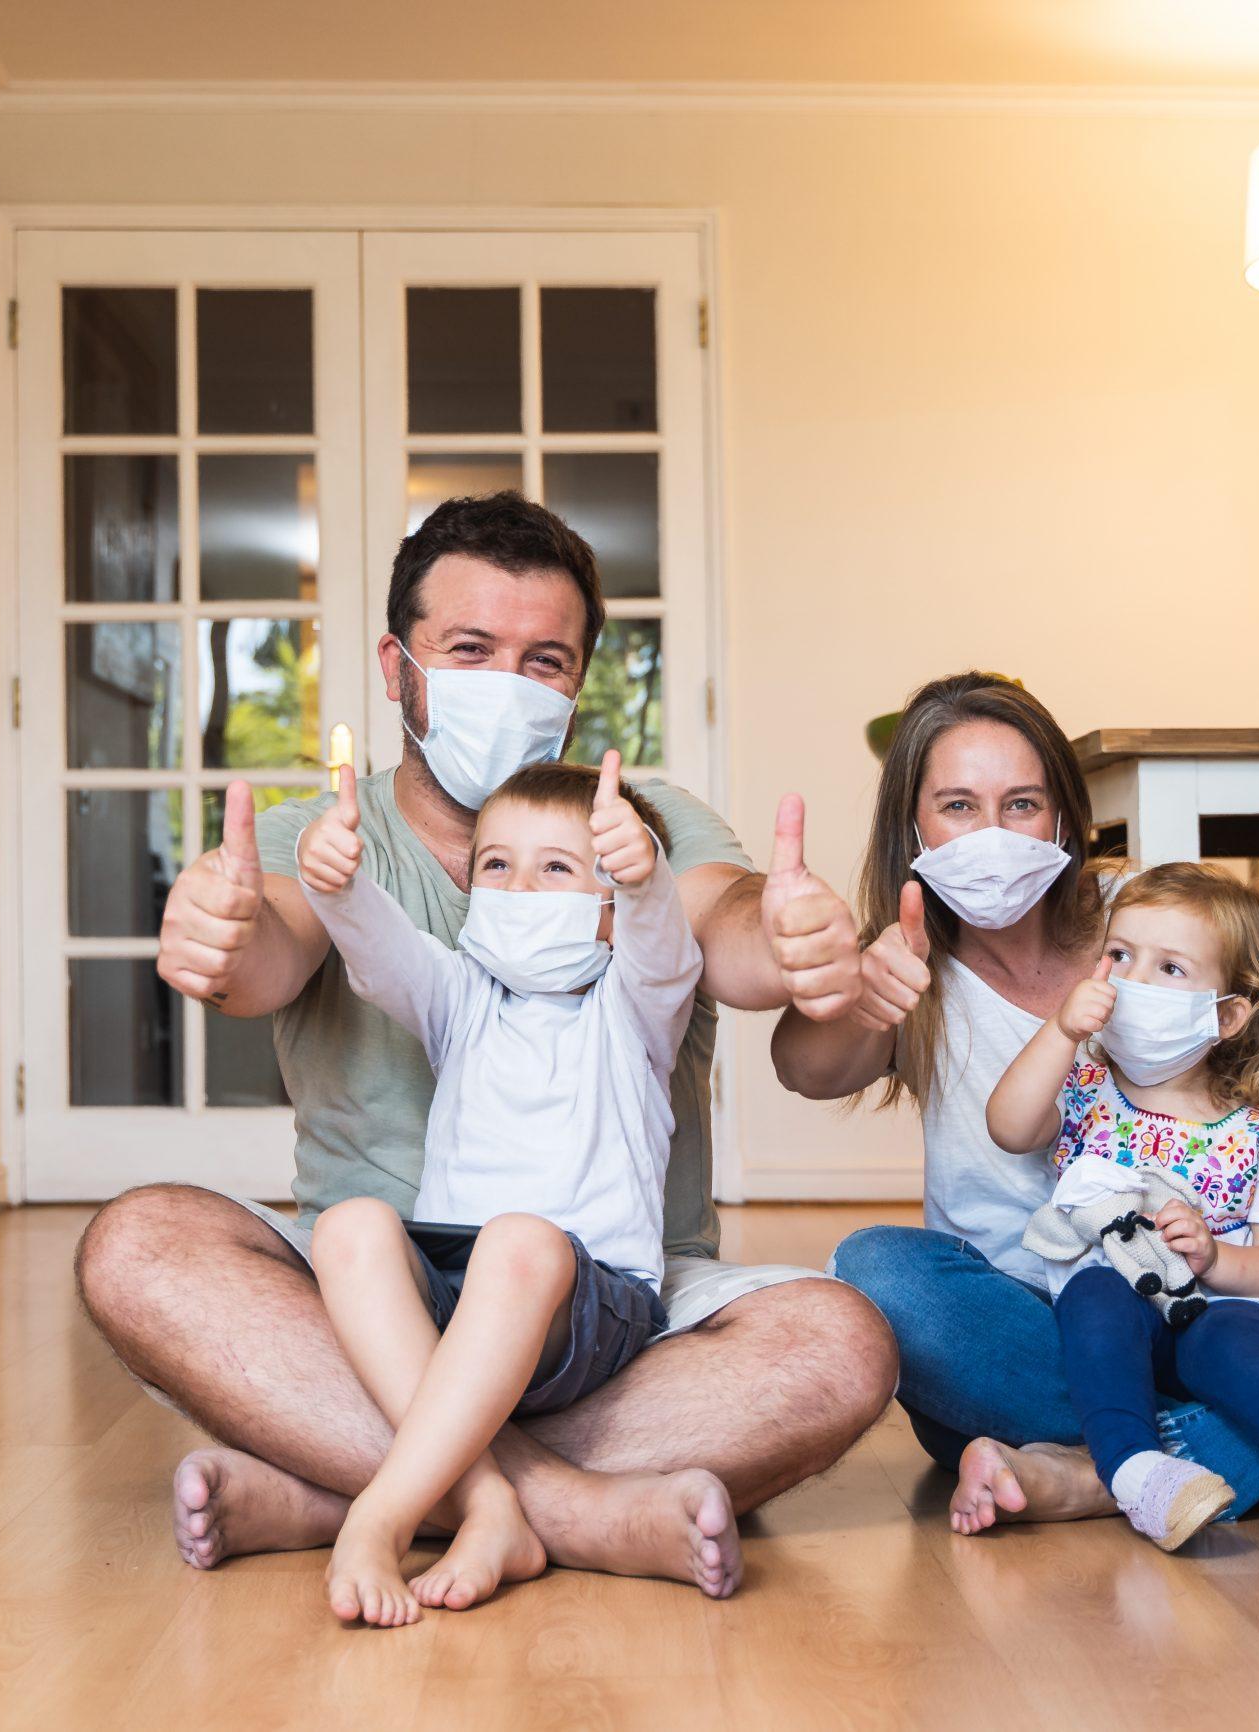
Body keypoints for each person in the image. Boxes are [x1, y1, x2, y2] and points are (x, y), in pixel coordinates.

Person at [74, 493, 894, 1595]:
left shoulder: (636, 827)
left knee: (841, 1345)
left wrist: (789, 934)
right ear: (397, 665)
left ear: (577, 683)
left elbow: (719, 926)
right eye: (469, 649)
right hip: (374, 1303)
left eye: (544, 660)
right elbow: (283, 946)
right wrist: (224, 934)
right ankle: (556, 1508)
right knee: (138, 1244)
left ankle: (355, 1492)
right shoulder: (324, 834)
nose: (508, 683)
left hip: (615, 1308)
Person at [777, 671, 1259, 1536]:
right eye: (958, 806)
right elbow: (802, 1068)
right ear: (914, 825)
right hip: (1036, 1330)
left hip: (1221, 1313)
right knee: (880, 1273)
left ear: (1063, 819)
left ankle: (1105, 1471)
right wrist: (862, 997)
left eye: (1022, 804)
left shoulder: (1159, 915)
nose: (993, 833)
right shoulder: (903, 960)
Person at [300, 752, 734, 1624]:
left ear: (607, 908)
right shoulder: (462, 996)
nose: (520, 888)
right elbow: (383, 956)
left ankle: (379, 1516)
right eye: (496, 864)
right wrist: (336, 885)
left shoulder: (633, 1008)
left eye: (557, 869)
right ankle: (489, 1505)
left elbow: (663, 953)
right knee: (348, 1227)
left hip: (591, 1299)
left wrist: (646, 878)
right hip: (461, 1291)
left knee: (518, 1240)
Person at [990, 863, 1259, 1569]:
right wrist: (1061, 1031)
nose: (1133, 980)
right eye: (1120, 955)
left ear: (1226, 1016)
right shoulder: (1086, 1088)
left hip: (1217, 1318)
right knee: (1093, 1291)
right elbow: (1008, 1126)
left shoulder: (1257, 1134)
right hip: (1113, 1324)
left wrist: (1219, 1259)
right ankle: (1137, 1471)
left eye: (1170, 967)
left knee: (1228, 1340)